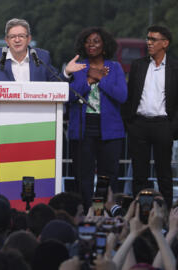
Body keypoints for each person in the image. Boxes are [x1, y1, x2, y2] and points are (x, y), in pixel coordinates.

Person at [122, 25, 178, 207]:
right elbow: (130, 95)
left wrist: (173, 125)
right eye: (148, 38)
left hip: (163, 126)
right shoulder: (138, 65)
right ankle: (139, 212)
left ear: (165, 43)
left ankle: (165, 214)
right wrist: (130, 123)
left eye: (153, 39)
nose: (148, 42)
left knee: (164, 174)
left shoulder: (177, 68)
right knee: (139, 175)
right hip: (139, 125)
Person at [67, 27, 127, 211]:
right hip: (83, 127)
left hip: (110, 129)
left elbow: (122, 96)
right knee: (83, 174)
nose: (91, 45)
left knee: (108, 175)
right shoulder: (79, 67)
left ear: (104, 45)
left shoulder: (115, 67)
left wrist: (101, 78)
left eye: (96, 41)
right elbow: (69, 96)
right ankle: (86, 211)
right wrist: (88, 81)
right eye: (88, 41)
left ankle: (105, 211)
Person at [0, 18, 85, 87]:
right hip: (4, 120)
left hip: (37, 118)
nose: (17, 40)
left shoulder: (42, 56)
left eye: (21, 36)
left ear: (29, 39)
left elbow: (58, 85)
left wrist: (66, 72)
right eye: (13, 37)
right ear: (6, 40)